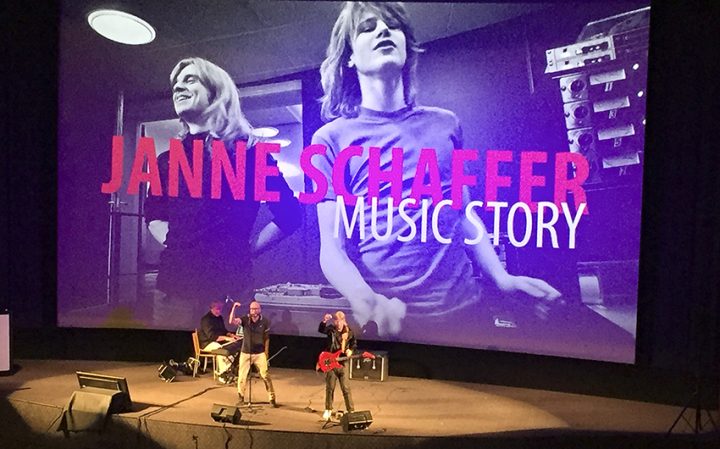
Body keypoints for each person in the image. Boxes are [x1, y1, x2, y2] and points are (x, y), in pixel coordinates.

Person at [311, 2, 561, 342]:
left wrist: (502, 278)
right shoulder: (330, 140)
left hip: (468, 316)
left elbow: (464, 214)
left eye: (392, 25)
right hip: (392, 328)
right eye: (368, 27)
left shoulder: (446, 124)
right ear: (350, 56)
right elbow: (332, 248)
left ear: (406, 45)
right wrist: (366, 300)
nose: (383, 30)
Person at [144, 57, 302, 328]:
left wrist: (244, 250)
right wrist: (181, 245)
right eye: (176, 83)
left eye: (190, 80)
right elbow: (154, 214)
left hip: (230, 291)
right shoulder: (167, 160)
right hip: (174, 290)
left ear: (216, 92)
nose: (178, 87)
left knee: (230, 356)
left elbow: (290, 215)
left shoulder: (251, 156)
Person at [236, 300, 277, 407]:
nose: (253, 311)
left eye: (255, 309)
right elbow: (232, 321)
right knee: (242, 376)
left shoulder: (265, 321)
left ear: (260, 310)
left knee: (265, 375)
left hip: (259, 353)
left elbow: (267, 338)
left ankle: (272, 398)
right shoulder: (245, 319)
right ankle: (241, 396)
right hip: (246, 352)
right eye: (252, 309)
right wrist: (234, 308)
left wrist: (266, 353)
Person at [318, 310, 356, 421]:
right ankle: (328, 409)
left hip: (343, 363)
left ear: (344, 321)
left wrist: (351, 351)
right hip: (331, 362)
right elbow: (321, 330)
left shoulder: (349, 332)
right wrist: (324, 321)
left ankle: (351, 410)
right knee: (330, 388)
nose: (338, 323)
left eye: (340, 321)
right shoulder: (331, 330)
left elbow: (354, 344)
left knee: (346, 388)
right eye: (336, 321)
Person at [198, 300, 242, 382]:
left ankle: (229, 371)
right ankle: (222, 375)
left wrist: (231, 335)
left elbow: (224, 331)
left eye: (220, 309)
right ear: (212, 308)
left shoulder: (219, 318)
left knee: (233, 347)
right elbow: (212, 337)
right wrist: (226, 338)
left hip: (218, 342)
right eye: (217, 309)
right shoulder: (206, 319)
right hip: (207, 343)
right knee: (220, 350)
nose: (219, 311)